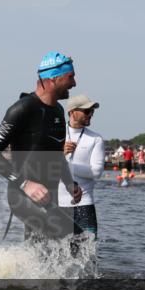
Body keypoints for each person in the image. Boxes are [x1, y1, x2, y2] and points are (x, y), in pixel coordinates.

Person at [0, 51, 82, 241]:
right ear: (53, 79)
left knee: (40, 250)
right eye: (70, 77)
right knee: (77, 240)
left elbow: (56, 154)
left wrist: (69, 183)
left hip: (49, 195)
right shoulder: (22, 108)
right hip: (23, 195)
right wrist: (25, 184)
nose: (74, 83)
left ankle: (10, 262)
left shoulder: (58, 110)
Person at [59, 94, 105, 237]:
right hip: (56, 204)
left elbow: (96, 172)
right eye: (87, 111)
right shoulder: (56, 135)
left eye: (92, 111)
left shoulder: (96, 139)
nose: (90, 114)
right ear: (72, 112)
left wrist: (64, 165)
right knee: (54, 251)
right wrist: (59, 154)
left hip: (84, 205)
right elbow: (41, 165)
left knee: (88, 251)